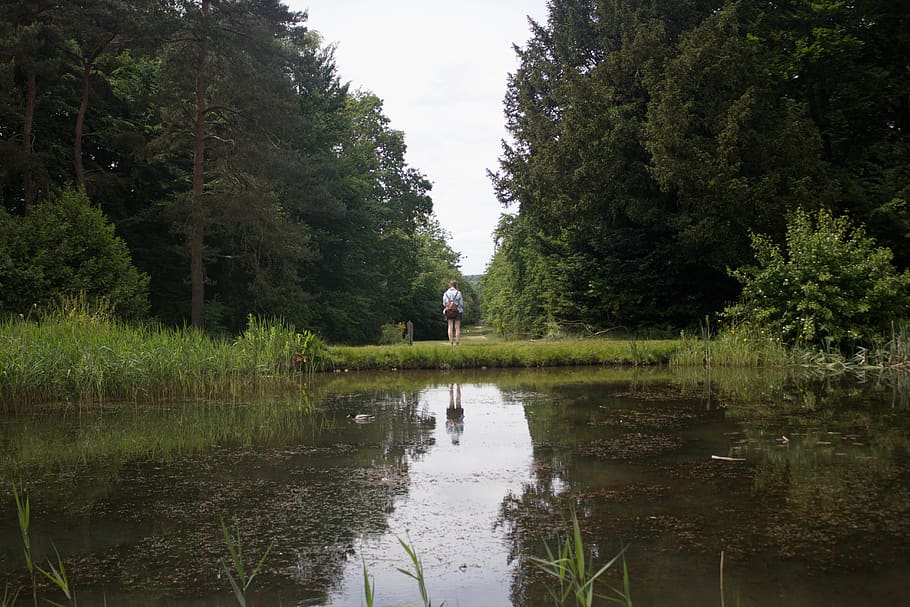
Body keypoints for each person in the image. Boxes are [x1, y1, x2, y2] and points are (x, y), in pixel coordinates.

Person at [442, 279, 463, 346]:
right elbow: (461, 303)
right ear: (455, 285)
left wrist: (449, 305)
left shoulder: (446, 293)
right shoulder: (458, 293)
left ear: (450, 285)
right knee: (457, 327)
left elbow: (444, 303)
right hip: (457, 311)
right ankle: (457, 342)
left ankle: (451, 342)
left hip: (448, 311)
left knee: (450, 326)